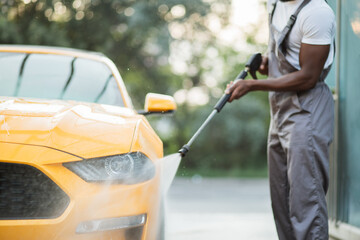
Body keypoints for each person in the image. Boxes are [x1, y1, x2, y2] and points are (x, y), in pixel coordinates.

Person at [226, 0, 336, 239]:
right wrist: (268, 60)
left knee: (306, 205)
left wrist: (252, 85)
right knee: (282, 203)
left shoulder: (317, 13)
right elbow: (290, 51)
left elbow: (308, 76)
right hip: (279, 112)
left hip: (307, 112)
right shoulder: (274, 3)